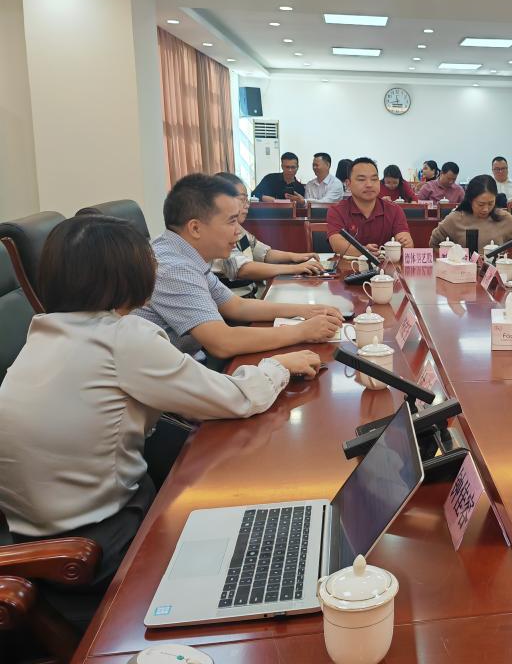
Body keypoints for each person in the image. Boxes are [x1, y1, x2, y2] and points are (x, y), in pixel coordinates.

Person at [0, 214, 321, 621]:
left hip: (30, 531)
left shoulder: (42, 333)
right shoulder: (122, 337)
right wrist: (279, 366)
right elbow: (236, 399)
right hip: (99, 544)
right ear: (130, 274)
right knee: (249, 506)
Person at [136, 174, 343, 359]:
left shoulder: (185, 253)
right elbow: (223, 343)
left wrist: (308, 311)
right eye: (231, 221)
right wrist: (302, 331)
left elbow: (236, 306)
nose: (238, 231)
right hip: (171, 377)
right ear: (195, 228)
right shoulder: (174, 267)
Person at [212, 172, 325, 294]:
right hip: (237, 297)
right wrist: (294, 268)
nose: (247, 205)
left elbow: (262, 252)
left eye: (247, 199)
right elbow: (242, 269)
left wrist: (296, 257)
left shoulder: (238, 228)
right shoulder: (217, 232)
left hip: (251, 293)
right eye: (242, 200)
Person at [326, 157, 414, 255]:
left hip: (386, 264)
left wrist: (405, 243)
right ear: (348, 184)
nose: (369, 184)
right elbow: (337, 245)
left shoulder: (394, 210)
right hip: (349, 264)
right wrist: (365, 252)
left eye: (374, 179)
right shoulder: (337, 210)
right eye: (361, 179)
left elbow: (404, 238)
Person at [429, 175, 512, 249]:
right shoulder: (456, 218)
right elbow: (434, 243)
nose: (486, 209)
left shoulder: (503, 217)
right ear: (470, 200)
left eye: (490, 203)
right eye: (481, 204)